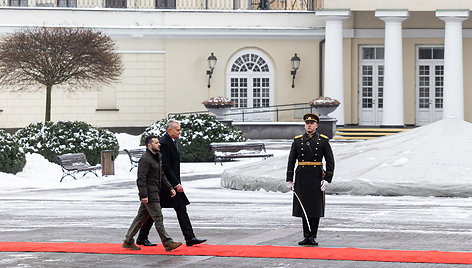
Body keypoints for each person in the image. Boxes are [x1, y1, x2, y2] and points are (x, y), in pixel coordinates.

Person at [136, 119, 207, 247]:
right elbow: (166, 167)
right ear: (169, 130)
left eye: (179, 129)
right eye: (177, 130)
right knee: (154, 212)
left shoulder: (172, 141)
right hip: (165, 185)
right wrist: (175, 184)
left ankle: (189, 237)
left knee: (177, 209)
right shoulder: (164, 143)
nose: (179, 132)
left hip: (169, 184)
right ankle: (142, 237)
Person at [122, 135, 182, 252]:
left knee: (140, 219)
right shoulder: (145, 159)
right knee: (158, 218)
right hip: (149, 194)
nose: (159, 144)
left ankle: (128, 241)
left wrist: (170, 187)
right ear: (149, 145)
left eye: (158, 142)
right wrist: (143, 195)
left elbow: (162, 175)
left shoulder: (157, 156)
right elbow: (141, 179)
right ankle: (168, 243)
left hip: (155, 192)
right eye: (156, 143)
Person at [286, 113, 335, 246]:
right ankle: (306, 235)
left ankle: (313, 235)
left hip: (316, 176)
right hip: (301, 175)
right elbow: (291, 161)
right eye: (307, 124)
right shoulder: (297, 140)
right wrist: (289, 180)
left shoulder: (323, 141)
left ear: (316, 125)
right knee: (304, 206)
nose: (309, 126)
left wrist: (327, 179)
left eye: (312, 124)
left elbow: (330, 161)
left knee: (315, 207)